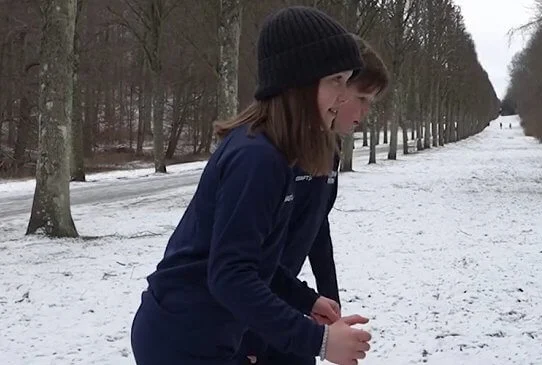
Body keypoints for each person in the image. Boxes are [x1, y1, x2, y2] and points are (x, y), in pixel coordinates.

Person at [130, 6, 372, 365]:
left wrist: (305, 300)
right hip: (182, 339)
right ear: (299, 80)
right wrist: (318, 341)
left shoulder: (274, 151)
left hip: (206, 334)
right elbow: (230, 276)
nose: (343, 94)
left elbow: (248, 259)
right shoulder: (257, 158)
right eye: (336, 79)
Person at [241, 35, 390, 365]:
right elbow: (239, 260)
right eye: (361, 97)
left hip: (287, 301)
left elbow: (316, 227)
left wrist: (328, 300)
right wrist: (249, 333)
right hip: (249, 312)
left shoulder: (328, 149)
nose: (365, 111)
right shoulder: (270, 154)